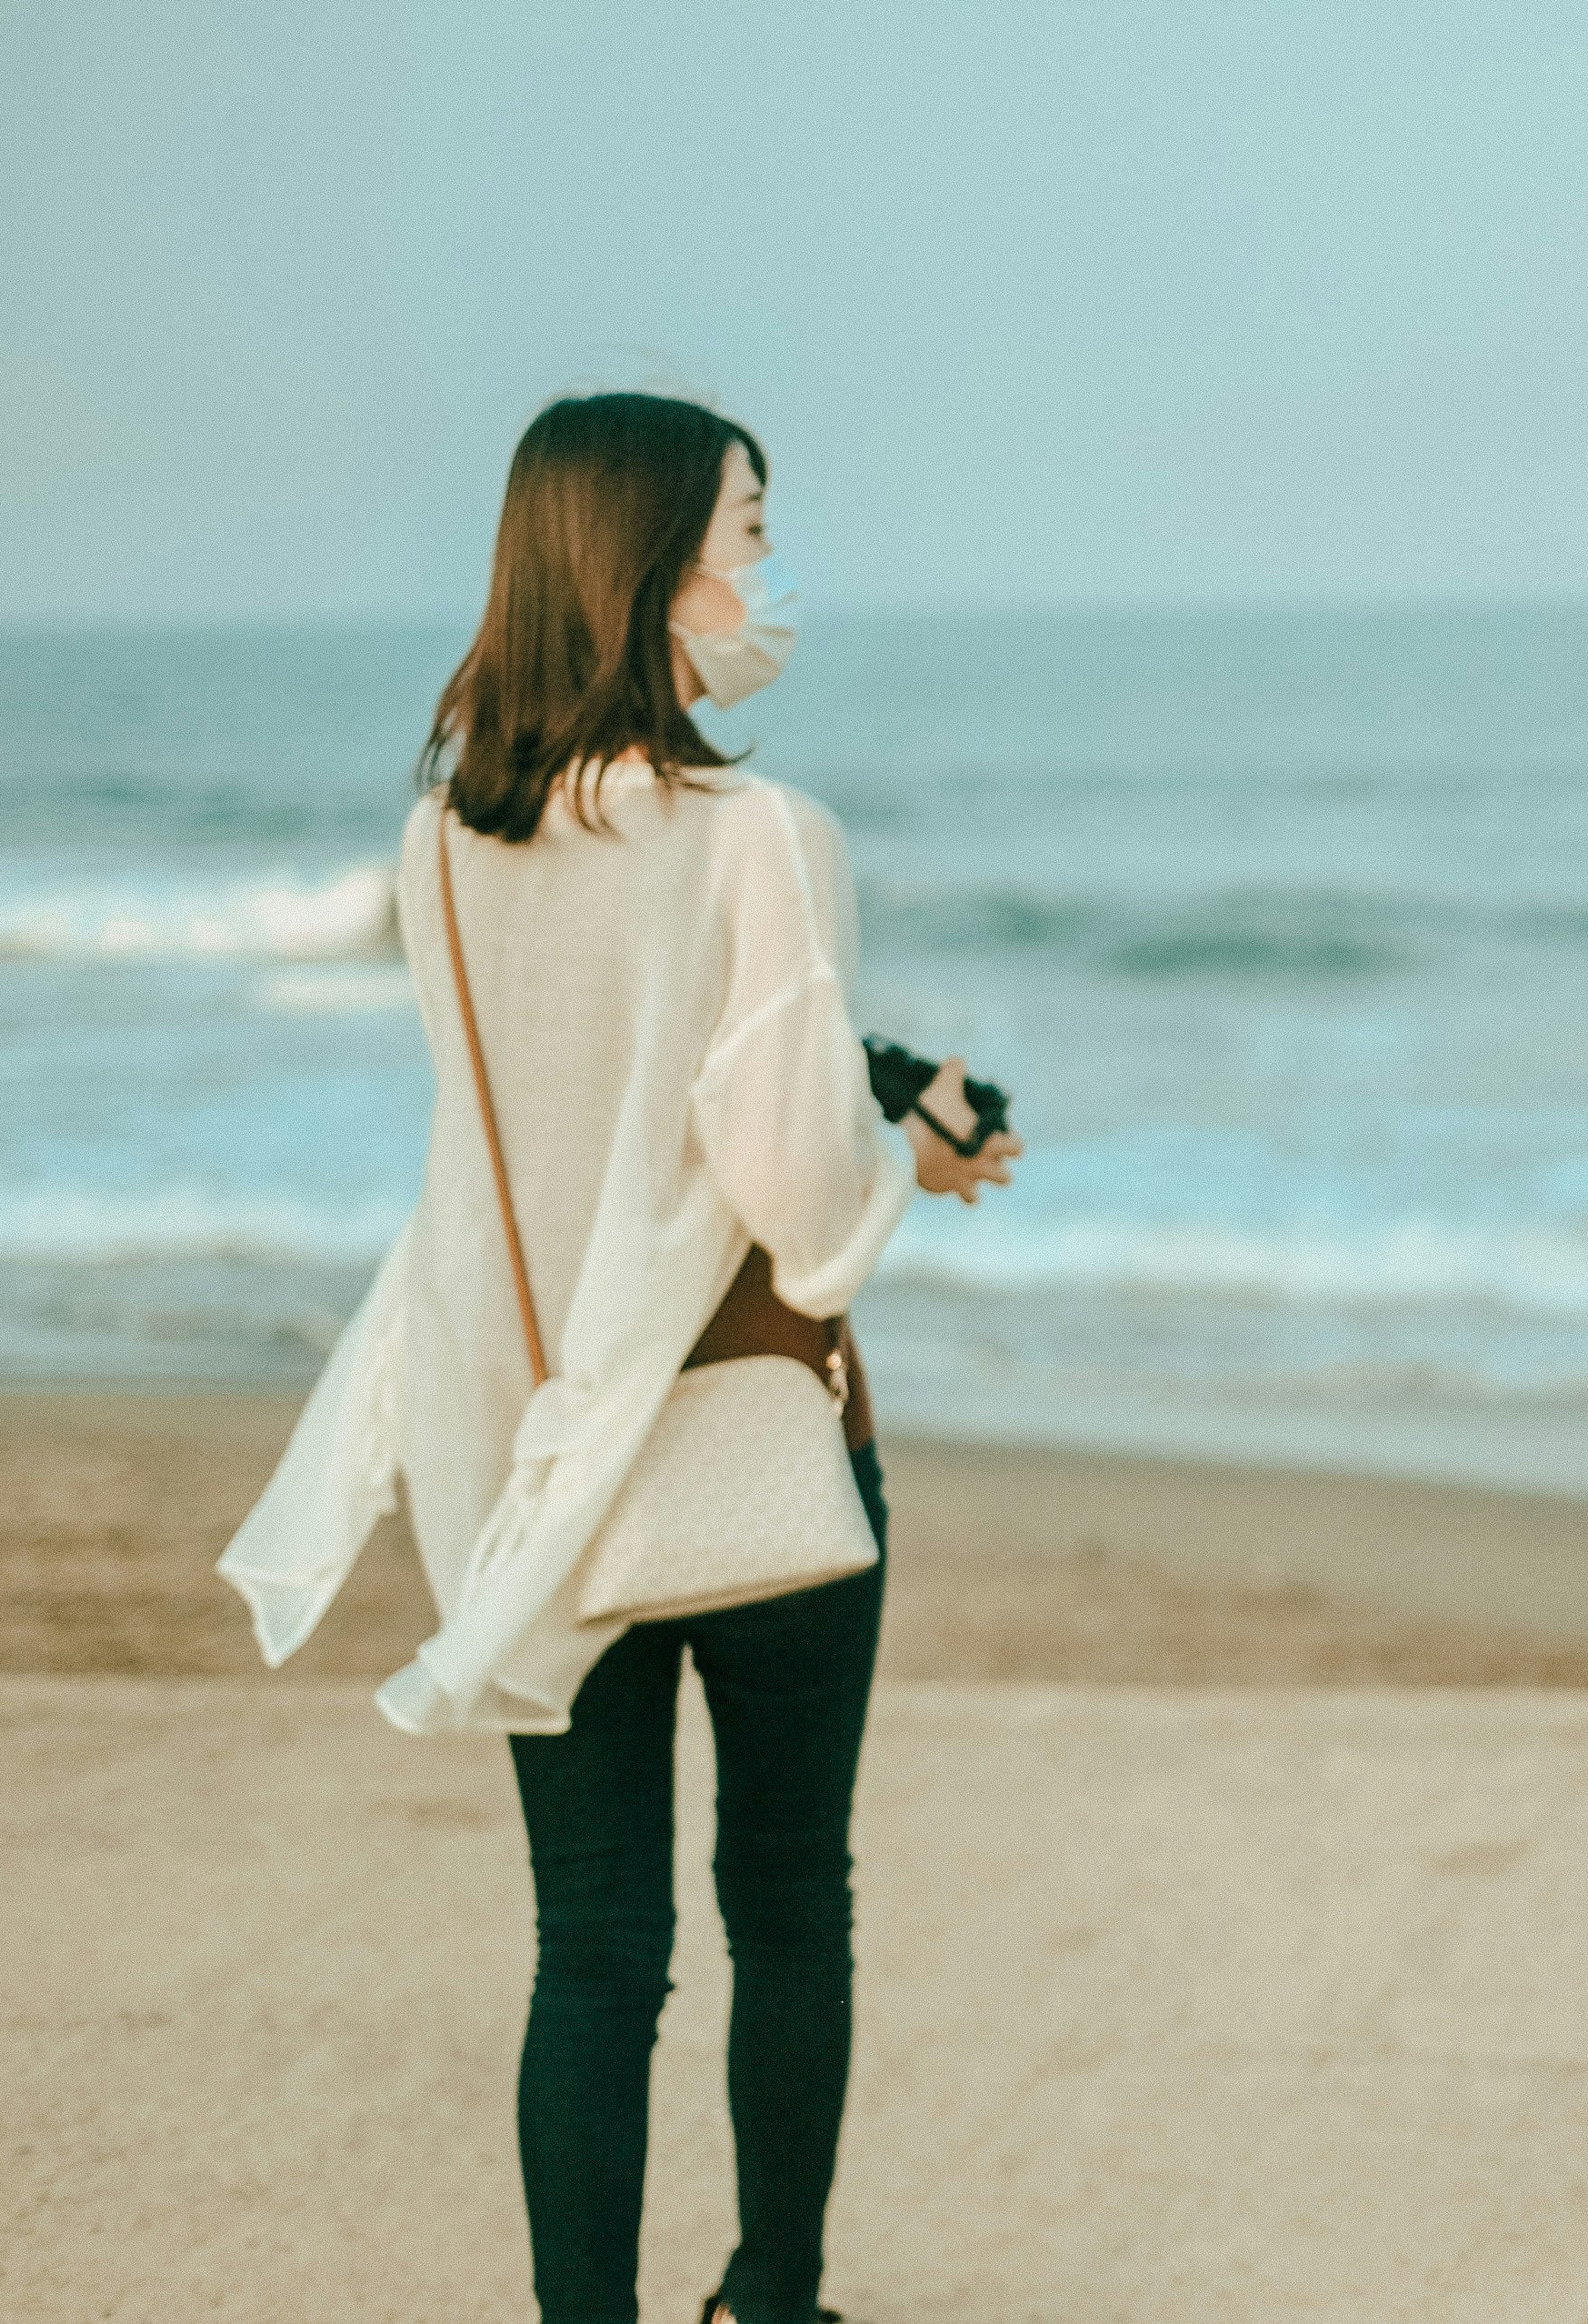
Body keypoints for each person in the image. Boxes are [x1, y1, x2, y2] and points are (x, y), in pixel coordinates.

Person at [219, 391, 1018, 2324]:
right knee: (786, 1907)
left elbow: (577, 1109)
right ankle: (773, 2299)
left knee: (591, 1949)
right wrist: (914, 1144)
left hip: (528, 1446)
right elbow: (784, 1183)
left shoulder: (444, 843)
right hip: (750, 1439)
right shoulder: (766, 834)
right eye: (751, 529)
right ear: (657, 568)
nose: (770, 570)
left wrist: (852, 1073)